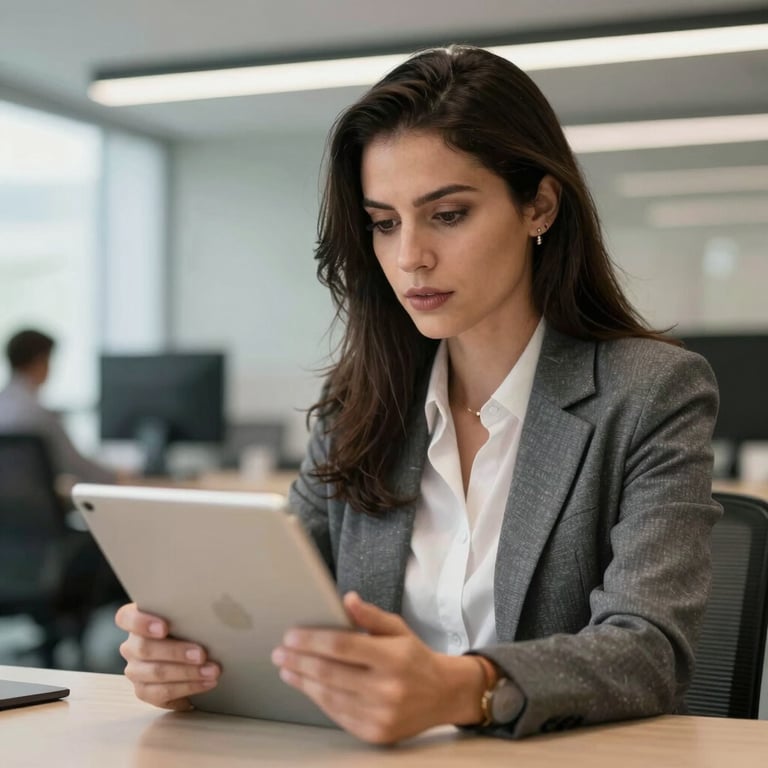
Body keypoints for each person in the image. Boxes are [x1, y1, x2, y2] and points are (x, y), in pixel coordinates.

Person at [115, 46, 720, 744]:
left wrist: (464, 689)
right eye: (385, 222)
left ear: (539, 206)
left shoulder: (651, 392)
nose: (410, 258)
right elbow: (278, 610)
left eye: (449, 214)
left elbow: (648, 650)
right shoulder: (360, 405)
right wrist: (189, 657)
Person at [0, 328, 118, 484]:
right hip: (38, 504)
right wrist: (119, 477)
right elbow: (75, 465)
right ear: (40, 361)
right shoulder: (39, 415)